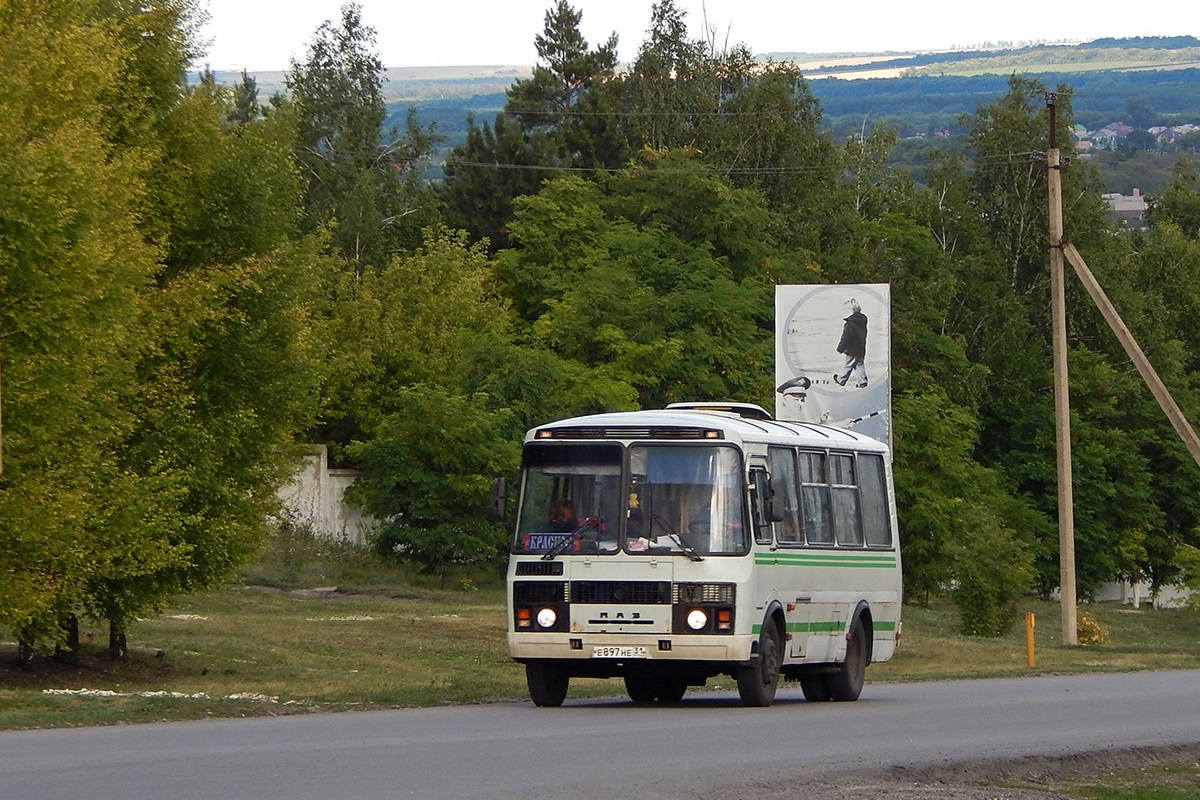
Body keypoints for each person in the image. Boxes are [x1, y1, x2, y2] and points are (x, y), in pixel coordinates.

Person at [833, 298, 869, 388]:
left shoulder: (850, 324)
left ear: (850, 311)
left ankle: (841, 379)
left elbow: (846, 337)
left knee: (848, 365)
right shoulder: (862, 321)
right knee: (859, 364)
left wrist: (840, 348)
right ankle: (862, 381)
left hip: (852, 349)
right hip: (861, 347)